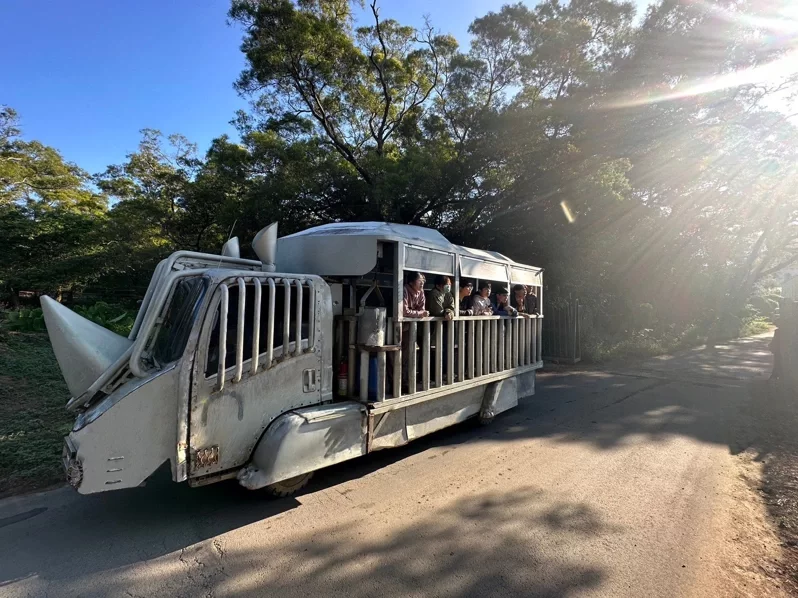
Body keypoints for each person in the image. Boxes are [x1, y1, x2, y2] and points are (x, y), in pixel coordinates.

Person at [401, 271, 428, 392]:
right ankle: (398, 383)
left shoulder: (421, 292)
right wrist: (417, 313)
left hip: (411, 328)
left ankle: (407, 382)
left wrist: (418, 313)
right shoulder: (404, 290)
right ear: (411, 282)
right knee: (397, 357)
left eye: (423, 280)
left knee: (409, 356)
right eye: (419, 280)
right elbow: (404, 311)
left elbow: (422, 309)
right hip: (399, 327)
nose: (422, 283)